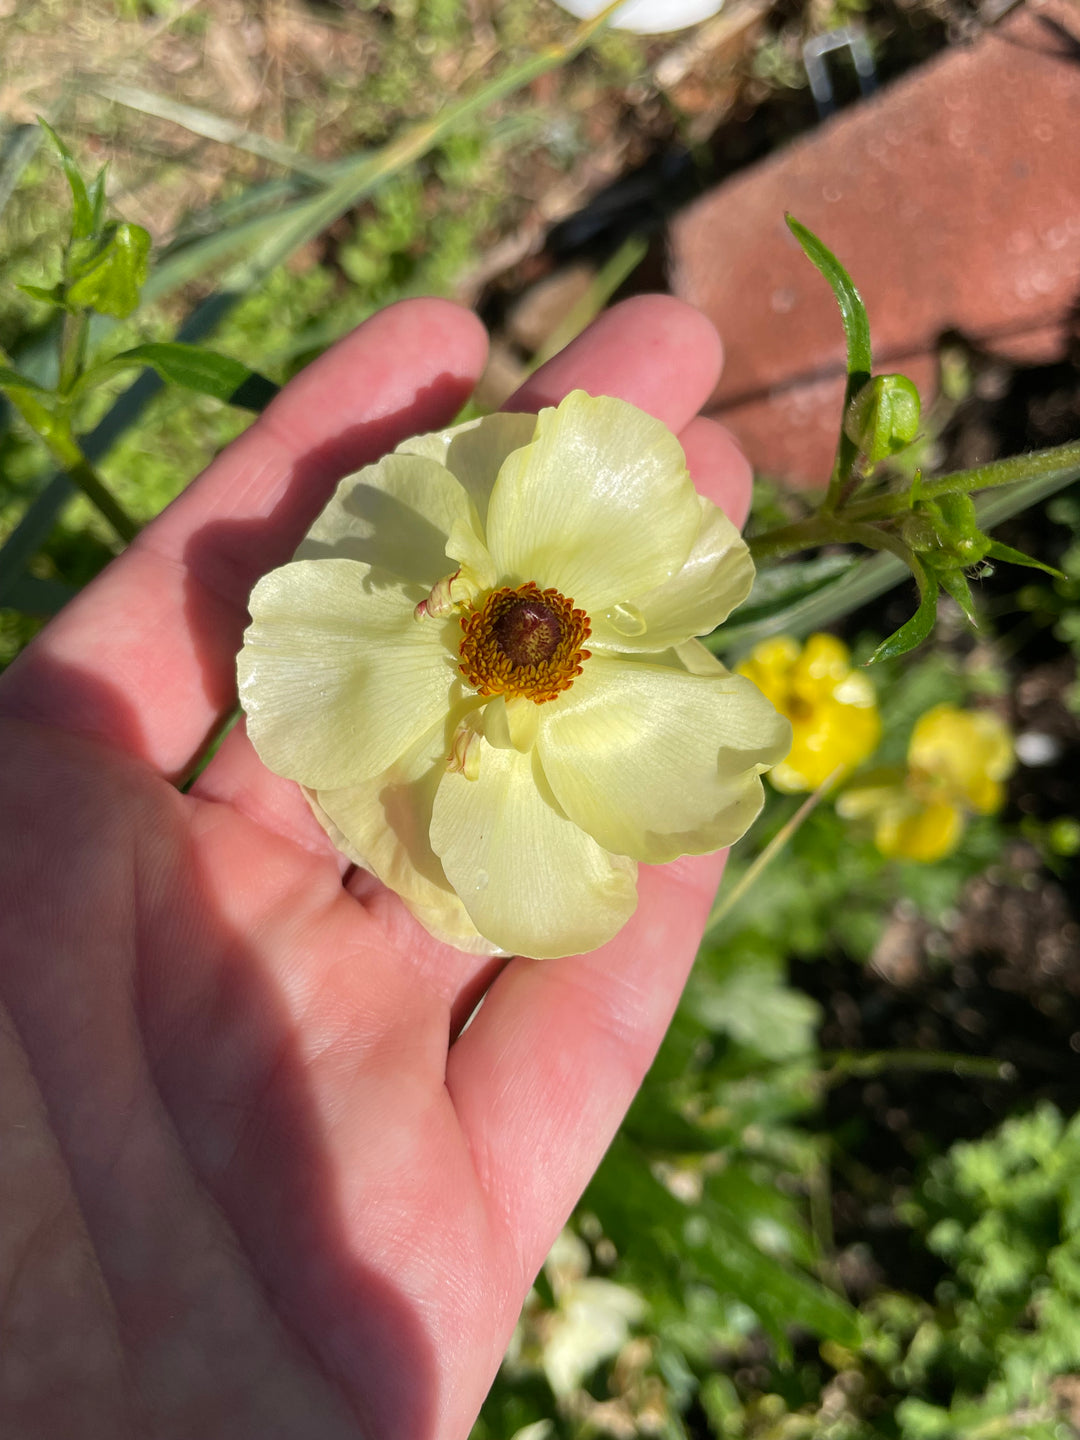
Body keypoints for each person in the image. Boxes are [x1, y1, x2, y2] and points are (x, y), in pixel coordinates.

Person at [0, 294, 753, 1439]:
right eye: (517, 621)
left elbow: (687, 568)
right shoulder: (431, 573)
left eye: (540, 630)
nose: (534, 637)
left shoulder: (576, 645)